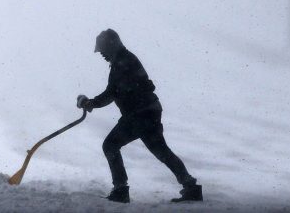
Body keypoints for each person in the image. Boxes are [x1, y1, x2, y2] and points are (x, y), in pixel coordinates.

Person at [77, 29, 202, 204]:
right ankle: (191, 187)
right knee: (161, 151)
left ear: (111, 46)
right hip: (148, 111)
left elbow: (112, 92)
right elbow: (116, 91)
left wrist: (92, 103)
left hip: (139, 114)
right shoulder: (123, 60)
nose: (102, 55)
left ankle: (120, 190)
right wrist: (93, 103)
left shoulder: (123, 62)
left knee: (111, 145)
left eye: (103, 50)